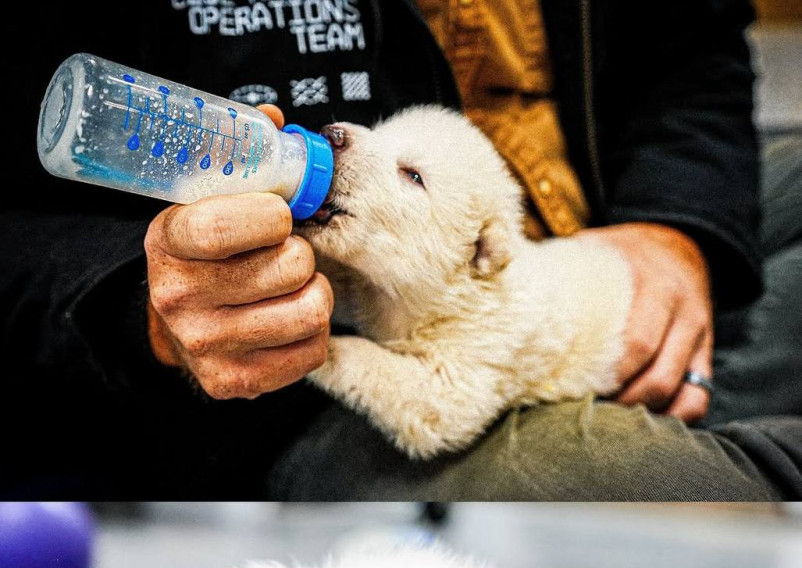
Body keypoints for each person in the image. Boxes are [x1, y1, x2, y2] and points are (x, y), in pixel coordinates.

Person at [3, 0, 801, 498]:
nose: (344, 138)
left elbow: (693, 50)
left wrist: (679, 231)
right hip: (274, 389)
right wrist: (135, 303)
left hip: (568, 237)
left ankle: (700, 416)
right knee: (663, 484)